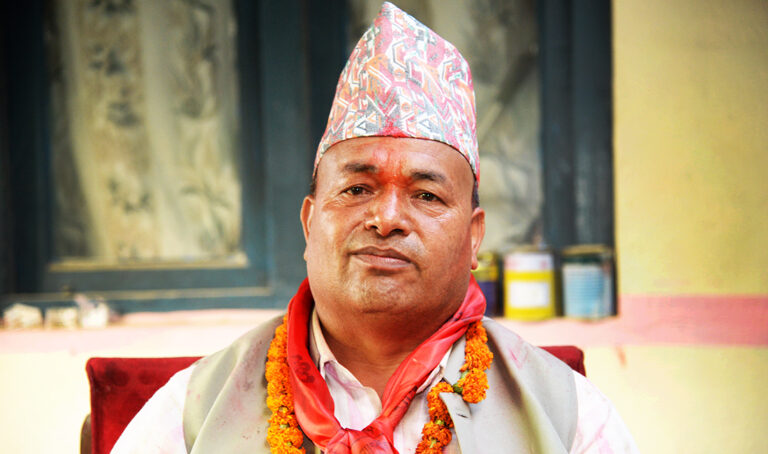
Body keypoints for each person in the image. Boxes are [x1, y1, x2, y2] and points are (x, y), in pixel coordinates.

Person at [112, 3, 638, 453]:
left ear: (474, 237)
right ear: (309, 222)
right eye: (357, 189)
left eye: (426, 195)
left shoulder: (569, 418)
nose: (386, 219)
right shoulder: (191, 413)